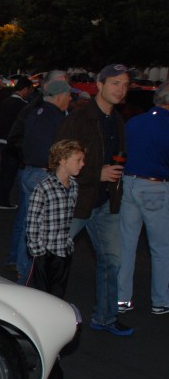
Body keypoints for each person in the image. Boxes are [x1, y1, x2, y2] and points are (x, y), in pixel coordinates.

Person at [54, 63, 131, 336]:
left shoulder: (116, 119)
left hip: (105, 202)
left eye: (125, 84)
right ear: (99, 85)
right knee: (54, 258)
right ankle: (40, 315)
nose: (121, 89)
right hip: (77, 201)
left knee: (112, 261)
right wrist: (96, 173)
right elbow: (59, 160)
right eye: (115, 83)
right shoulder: (79, 119)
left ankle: (106, 318)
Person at [9, 79, 72, 284]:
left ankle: (22, 269)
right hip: (43, 173)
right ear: (60, 96)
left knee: (28, 223)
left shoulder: (34, 113)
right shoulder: (57, 118)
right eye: (68, 95)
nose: (70, 99)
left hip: (28, 171)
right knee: (39, 229)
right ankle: (28, 275)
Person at [117, 81, 169, 316]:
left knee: (126, 245)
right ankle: (160, 300)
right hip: (155, 186)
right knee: (160, 248)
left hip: (129, 182)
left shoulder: (135, 122)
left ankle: (122, 299)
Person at [25, 139, 84, 297]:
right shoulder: (43, 188)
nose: (82, 164)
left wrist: (68, 243)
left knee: (58, 294)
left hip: (63, 251)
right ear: (63, 161)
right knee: (42, 295)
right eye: (78, 160)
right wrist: (38, 251)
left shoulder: (74, 186)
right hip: (45, 253)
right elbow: (32, 222)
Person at [0, 76, 33, 209]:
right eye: (30, 90)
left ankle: (0, 199)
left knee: (4, 173)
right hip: (13, 143)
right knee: (10, 173)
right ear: (25, 89)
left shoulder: (6, 101)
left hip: (3, 139)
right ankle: (3, 201)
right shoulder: (22, 105)